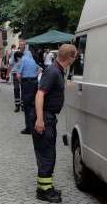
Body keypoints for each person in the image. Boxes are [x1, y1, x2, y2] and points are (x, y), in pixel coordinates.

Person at [32, 44, 77, 203]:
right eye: (75, 56)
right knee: (46, 154)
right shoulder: (52, 72)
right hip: (45, 117)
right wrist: (39, 119)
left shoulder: (57, 70)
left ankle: (44, 186)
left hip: (49, 117)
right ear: (70, 57)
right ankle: (44, 191)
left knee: (48, 152)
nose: (75, 59)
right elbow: (40, 94)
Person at [18, 48, 41, 135]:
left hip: (27, 83)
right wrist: (35, 76)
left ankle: (28, 128)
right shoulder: (33, 60)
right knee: (33, 105)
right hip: (34, 83)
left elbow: (19, 74)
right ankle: (34, 125)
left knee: (27, 107)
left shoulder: (23, 60)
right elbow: (40, 69)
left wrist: (21, 82)